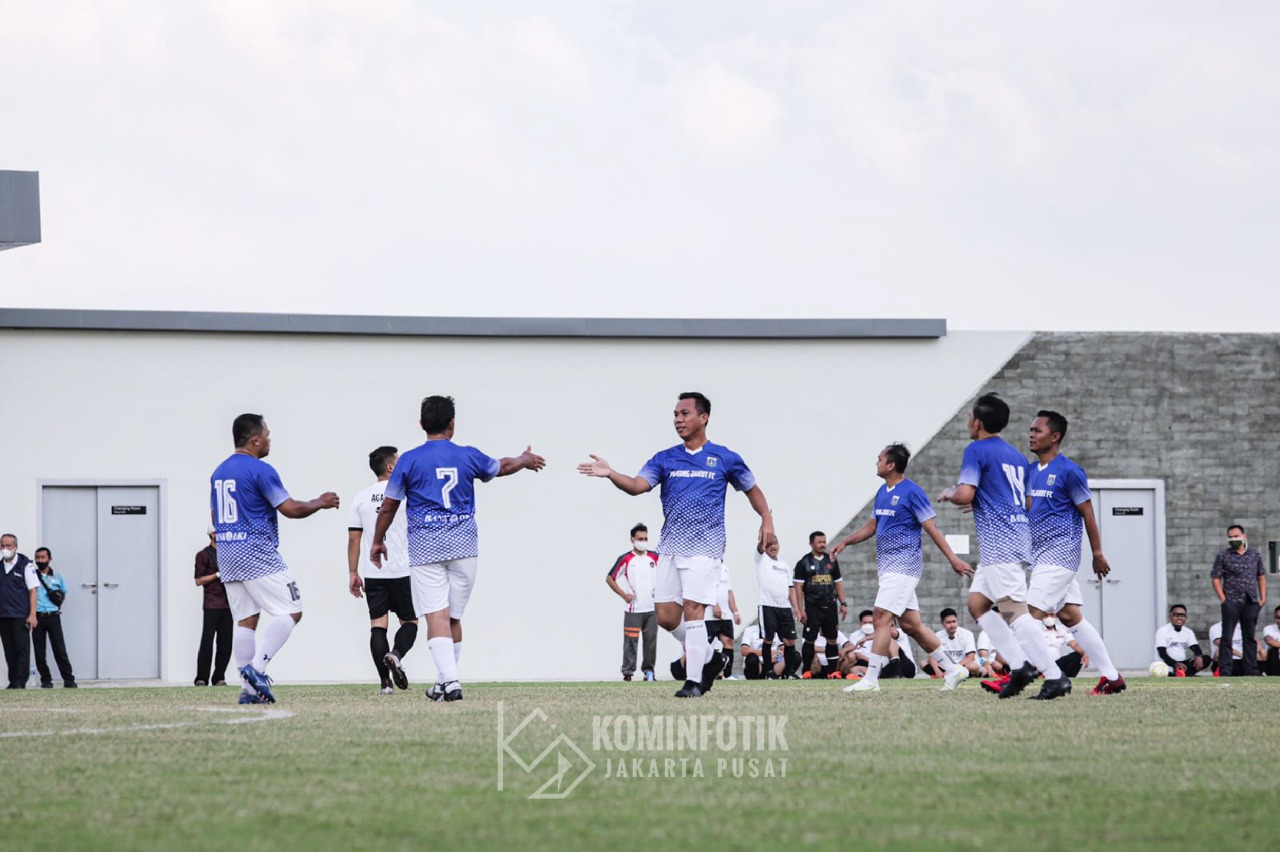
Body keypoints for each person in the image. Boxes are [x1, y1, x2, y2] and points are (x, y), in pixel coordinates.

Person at [578, 391, 774, 698]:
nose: (678, 420)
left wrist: (766, 519)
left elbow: (752, 489)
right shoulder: (665, 458)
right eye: (675, 415)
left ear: (703, 418)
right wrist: (611, 473)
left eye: (684, 414)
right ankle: (710, 658)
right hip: (670, 548)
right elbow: (637, 486)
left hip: (706, 548)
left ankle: (694, 682)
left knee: (694, 609)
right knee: (668, 618)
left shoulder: (725, 458)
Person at [372, 395, 544, 702]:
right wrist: (524, 459)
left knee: (436, 617)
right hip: (464, 546)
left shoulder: (408, 460)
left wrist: (377, 540)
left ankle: (450, 681)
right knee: (453, 617)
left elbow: (389, 506)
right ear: (452, 423)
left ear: (421, 424)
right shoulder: (468, 455)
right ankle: (443, 683)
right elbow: (502, 467)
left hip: (426, 547)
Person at [211, 414, 340, 705]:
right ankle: (256, 671)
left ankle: (248, 691)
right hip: (256, 551)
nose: (270, 439)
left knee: (246, 620)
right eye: (267, 434)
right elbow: (290, 509)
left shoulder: (219, 471)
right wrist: (320, 502)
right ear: (255, 439)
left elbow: (214, 514)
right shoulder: (260, 470)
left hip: (228, 553)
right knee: (291, 610)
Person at [938, 393, 1058, 700]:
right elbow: (1026, 501)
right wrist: (985, 500)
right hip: (1014, 537)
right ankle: (1019, 668)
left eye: (969, 417)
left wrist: (951, 493)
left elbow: (965, 493)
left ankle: (1054, 675)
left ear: (978, 423)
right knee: (977, 604)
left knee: (1015, 611)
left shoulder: (976, 449)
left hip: (1000, 543)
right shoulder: (1016, 455)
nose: (968, 422)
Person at [830, 443, 974, 694]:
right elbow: (872, 526)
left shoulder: (912, 492)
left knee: (880, 617)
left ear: (891, 464)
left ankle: (871, 680)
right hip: (888, 568)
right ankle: (954, 670)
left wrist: (952, 558)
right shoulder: (882, 492)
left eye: (879, 459)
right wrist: (846, 541)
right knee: (911, 625)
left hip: (905, 566)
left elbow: (932, 529)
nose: (876, 462)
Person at [1024, 410, 1126, 696]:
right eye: (1031, 429)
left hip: (1060, 554)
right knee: (1070, 617)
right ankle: (1112, 677)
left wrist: (1097, 553)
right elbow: (1028, 508)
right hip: (1039, 555)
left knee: (1029, 614)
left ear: (1055, 437)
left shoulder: (1070, 471)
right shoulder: (1030, 471)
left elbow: (1087, 512)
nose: (1031, 434)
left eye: (1037, 430)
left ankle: (1026, 675)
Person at [348, 446, 418, 695]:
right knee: (410, 622)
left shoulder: (360, 497)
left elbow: (354, 539)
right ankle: (395, 654)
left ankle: (385, 684)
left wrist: (353, 572)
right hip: (401, 569)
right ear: (390, 467)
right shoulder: (406, 494)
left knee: (378, 626)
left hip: (374, 572)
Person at [1210, 524, 1266, 677]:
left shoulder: (1255, 555)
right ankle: (1226, 670)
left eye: (1236, 536)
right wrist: (1223, 599)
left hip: (1251, 601)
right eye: (1230, 537)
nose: (1233, 539)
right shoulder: (1223, 556)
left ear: (1244, 536)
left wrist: (1262, 598)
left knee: (1249, 637)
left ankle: (1251, 670)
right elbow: (1215, 579)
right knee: (1227, 636)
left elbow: (1261, 577)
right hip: (1231, 601)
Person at [606, 523, 658, 682]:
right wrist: (624, 595)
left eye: (645, 538)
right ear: (632, 540)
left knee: (650, 642)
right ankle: (628, 673)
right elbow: (610, 578)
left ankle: (649, 672)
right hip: (633, 609)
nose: (643, 541)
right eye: (640, 539)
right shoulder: (626, 559)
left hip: (652, 608)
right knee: (630, 642)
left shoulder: (655, 557)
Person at [794, 532, 846, 679]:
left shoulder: (832, 561)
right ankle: (806, 671)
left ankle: (832, 672)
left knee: (832, 639)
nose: (823, 545)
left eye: (824, 542)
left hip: (830, 606)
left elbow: (838, 583)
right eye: (819, 542)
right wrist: (800, 609)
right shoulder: (803, 563)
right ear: (811, 544)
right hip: (812, 607)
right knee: (810, 639)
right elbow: (798, 588)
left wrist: (843, 603)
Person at [755, 537, 800, 678]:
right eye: (770, 544)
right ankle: (768, 672)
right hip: (768, 605)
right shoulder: (761, 559)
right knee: (768, 639)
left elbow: (791, 588)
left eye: (775, 544)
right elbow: (759, 548)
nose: (773, 547)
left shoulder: (784, 565)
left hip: (785, 607)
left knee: (789, 641)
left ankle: (789, 673)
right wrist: (765, 535)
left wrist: (796, 607)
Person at [193, 524, 232, 686]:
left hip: (229, 604)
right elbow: (198, 580)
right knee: (207, 641)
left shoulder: (229, 553)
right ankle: (201, 678)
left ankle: (219, 677)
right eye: (217, 532)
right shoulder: (203, 555)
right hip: (211, 604)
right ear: (212, 534)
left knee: (225, 643)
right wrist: (217, 575)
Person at [32, 547, 76, 688]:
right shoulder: (32, 575)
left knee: (60, 650)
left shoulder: (57, 576)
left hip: (53, 617)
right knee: (39, 652)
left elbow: (63, 593)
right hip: (37, 617)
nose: (40, 560)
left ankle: (69, 679)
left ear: (49, 559)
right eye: (37, 557)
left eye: (43, 557)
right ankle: (46, 680)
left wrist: (57, 605)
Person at [0, 533, 38, 689]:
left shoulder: (25, 565)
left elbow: (33, 591)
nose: (5, 549)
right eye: (3, 546)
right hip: (4, 615)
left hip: (20, 614)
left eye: (8, 546)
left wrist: (32, 614)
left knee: (21, 649)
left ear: (15, 547)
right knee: (9, 650)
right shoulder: (0, 567)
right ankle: (13, 680)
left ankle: (21, 681)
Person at [1154, 604, 1212, 676]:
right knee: (1163, 670)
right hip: (1166, 664)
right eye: (1176, 615)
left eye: (1182, 615)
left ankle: (1182, 674)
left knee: (1206, 659)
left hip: (1182, 664)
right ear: (1170, 617)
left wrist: (1198, 656)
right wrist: (1175, 664)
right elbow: (1162, 653)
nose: (1179, 618)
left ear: (1186, 617)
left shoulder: (1188, 632)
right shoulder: (1162, 631)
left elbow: (1195, 647)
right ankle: (1183, 675)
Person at [921, 608, 978, 677]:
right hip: (945, 666)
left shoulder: (967, 634)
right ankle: (941, 675)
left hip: (962, 665)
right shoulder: (937, 636)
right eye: (948, 622)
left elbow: (971, 657)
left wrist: (954, 669)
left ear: (957, 621)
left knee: (973, 666)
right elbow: (932, 657)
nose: (952, 625)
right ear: (942, 623)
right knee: (923, 663)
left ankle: (957, 675)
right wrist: (937, 670)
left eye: (954, 621)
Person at [708, 563, 741, 679]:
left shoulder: (725, 568)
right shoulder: (706, 564)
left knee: (728, 642)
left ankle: (727, 674)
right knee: (706, 645)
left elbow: (729, 591)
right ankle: (704, 673)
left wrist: (735, 612)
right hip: (709, 614)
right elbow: (704, 588)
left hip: (725, 614)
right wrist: (714, 604)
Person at [1262, 606, 1280, 677]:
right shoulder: (1269, 628)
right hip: (1275, 661)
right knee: (1273, 649)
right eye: (1277, 617)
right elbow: (1270, 641)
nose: (1279, 621)